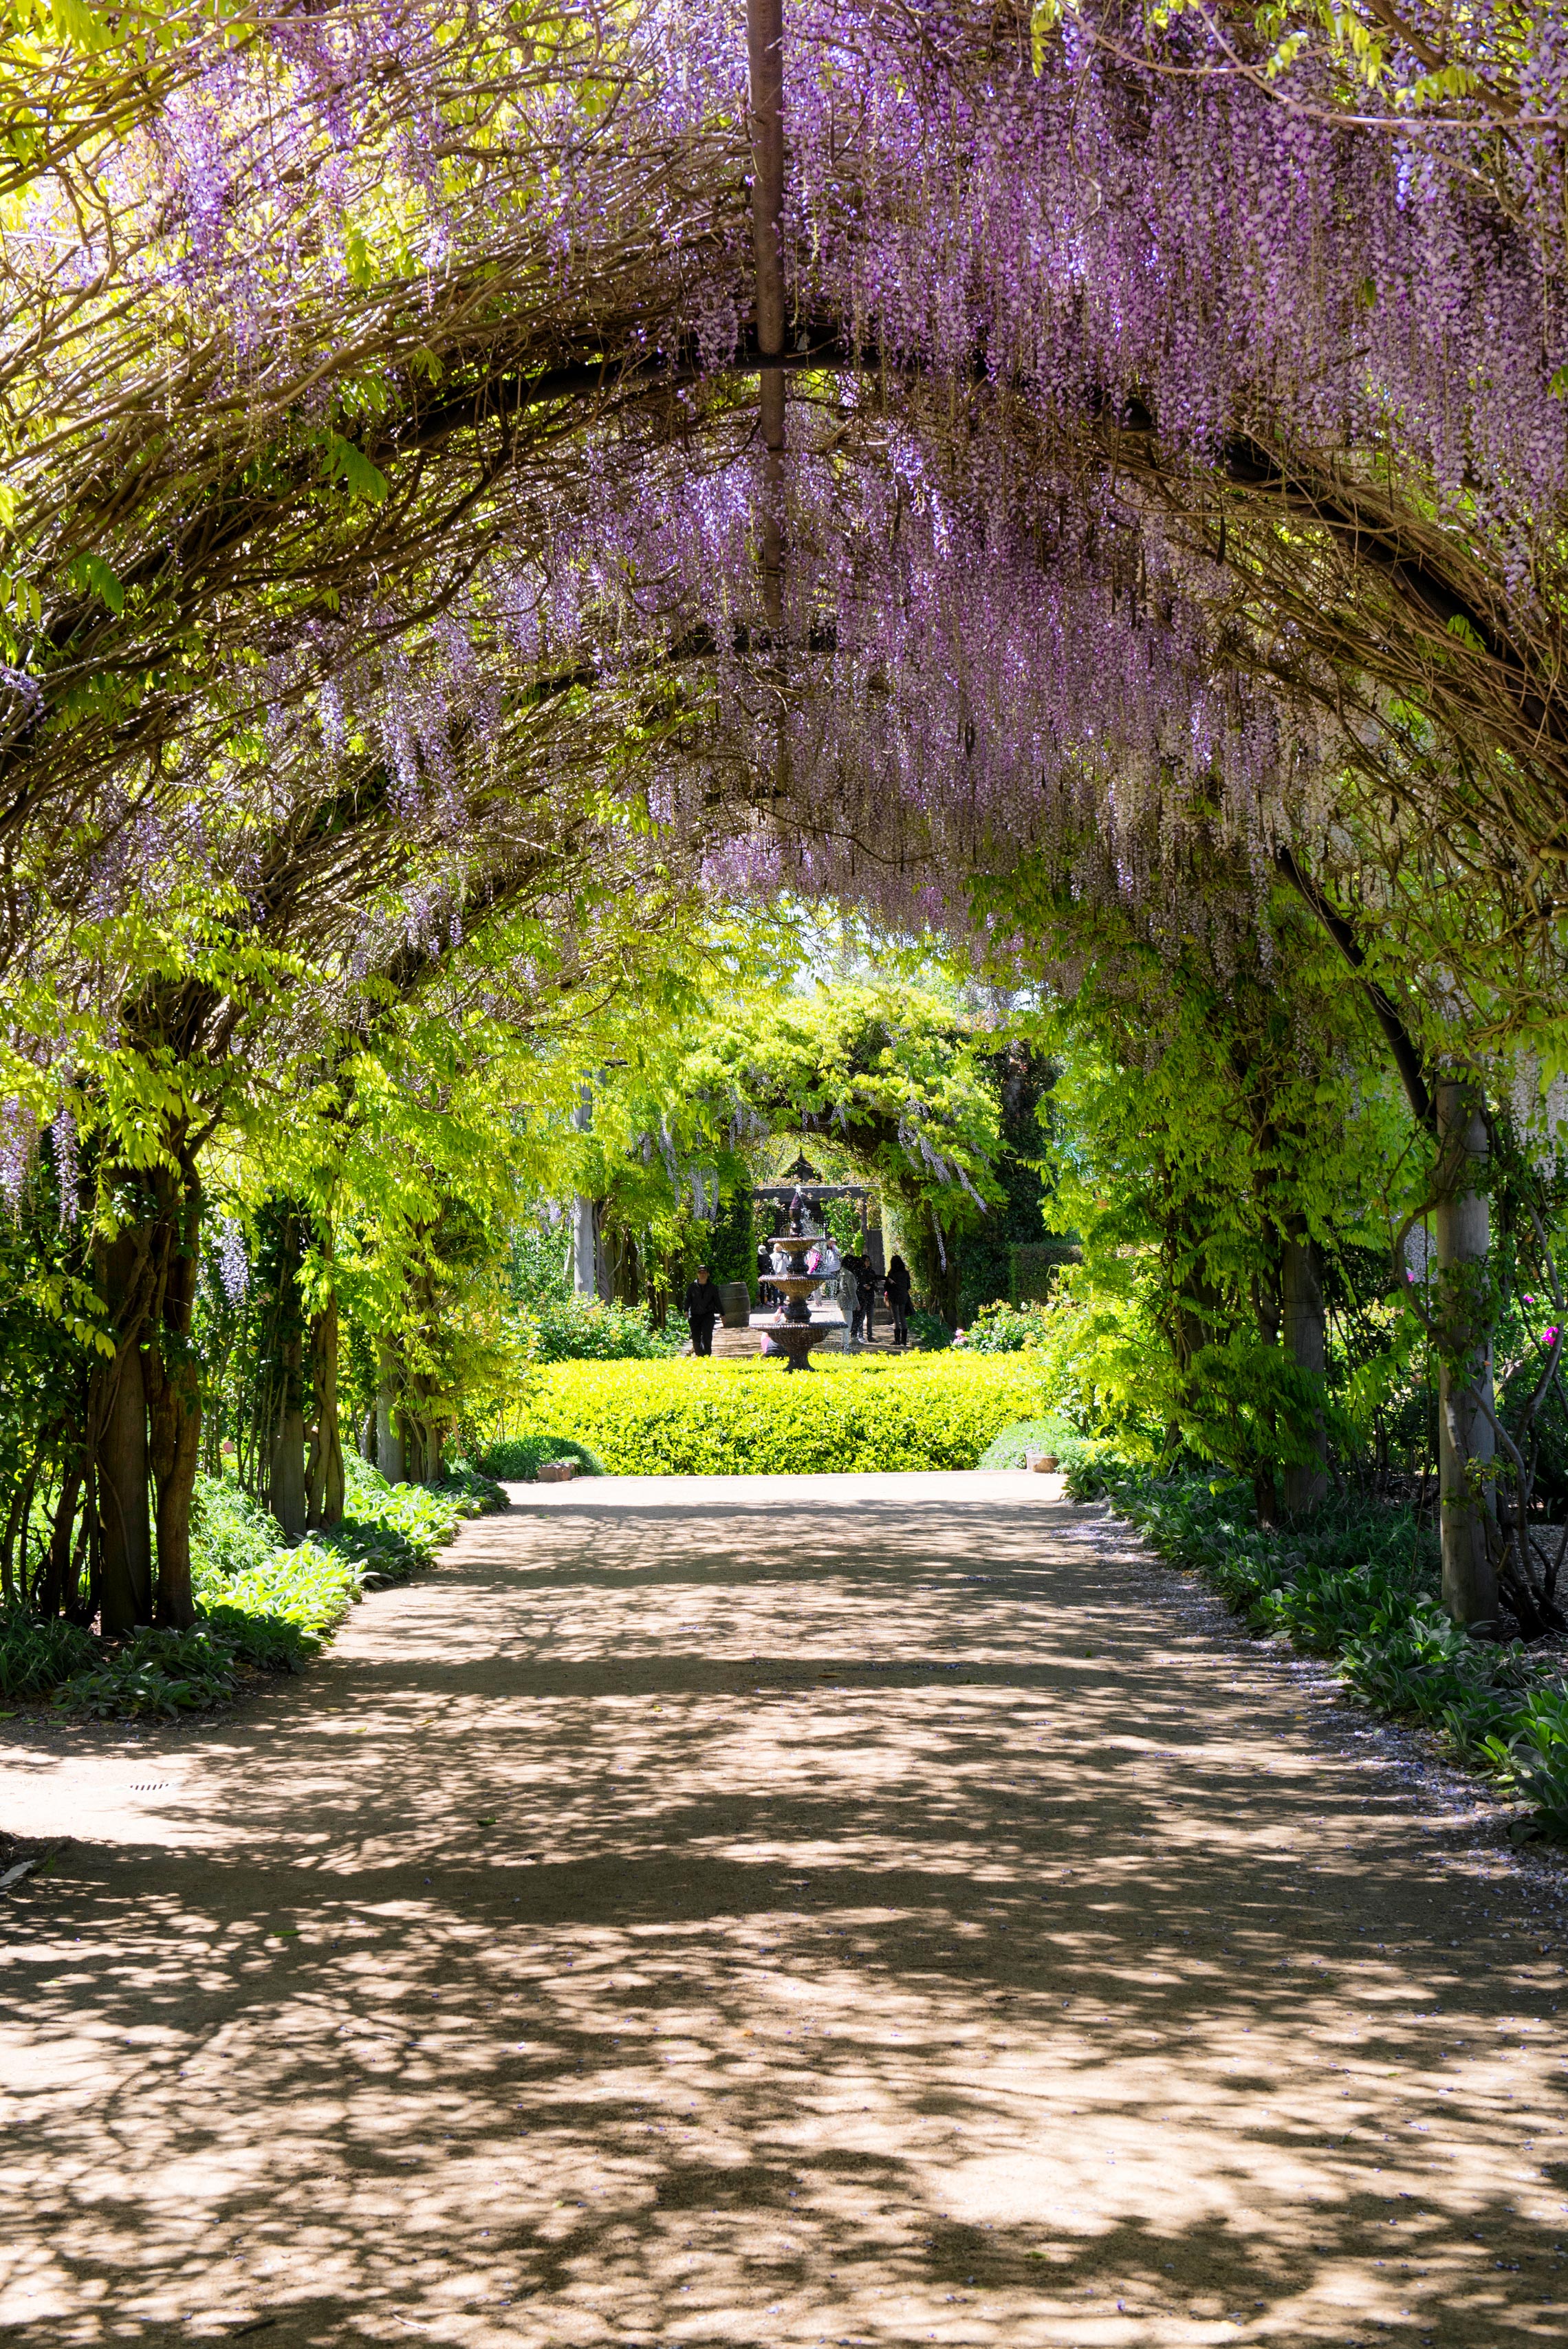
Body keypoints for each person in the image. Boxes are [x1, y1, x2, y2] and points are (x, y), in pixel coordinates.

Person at [683, 1263, 723, 1356]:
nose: (702, 1275)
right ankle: (699, 1353)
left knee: (707, 1336)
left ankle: (707, 1354)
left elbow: (717, 1301)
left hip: (708, 1315)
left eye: (704, 1273)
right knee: (695, 1337)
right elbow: (687, 1299)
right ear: (698, 1274)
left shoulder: (712, 1287)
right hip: (695, 1315)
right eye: (700, 1273)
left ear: (707, 1274)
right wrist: (686, 1310)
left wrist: (722, 1313)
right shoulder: (692, 1287)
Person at [884, 1252, 912, 1347]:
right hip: (903, 1297)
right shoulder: (905, 1273)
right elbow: (908, 1286)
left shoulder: (892, 1273)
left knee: (896, 1319)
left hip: (894, 1297)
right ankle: (904, 1341)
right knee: (903, 1318)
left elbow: (887, 1287)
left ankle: (897, 1340)